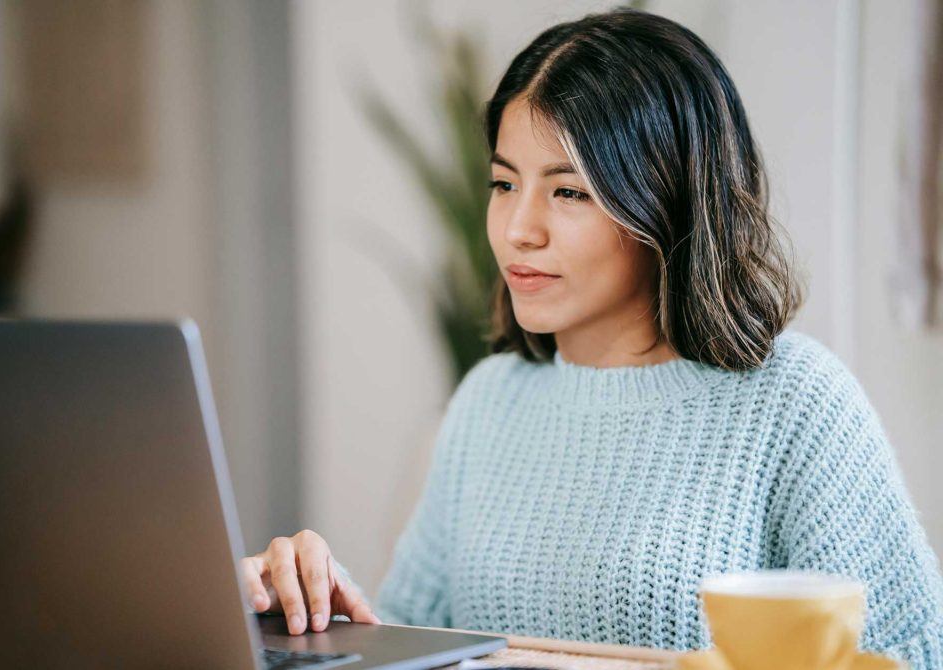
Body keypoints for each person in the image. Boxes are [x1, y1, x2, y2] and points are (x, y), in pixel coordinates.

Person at [240, 7, 943, 668]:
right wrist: (310, 616)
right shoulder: (490, 402)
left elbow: (916, 652)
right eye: (504, 183)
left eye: (568, 191)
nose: (519, 229)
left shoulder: (793, 402)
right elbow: (415, 636)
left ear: (666, 201)